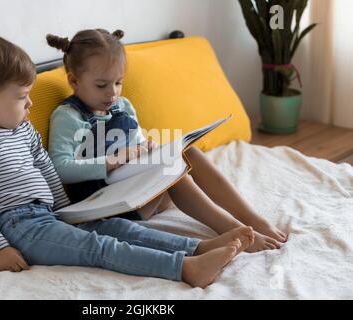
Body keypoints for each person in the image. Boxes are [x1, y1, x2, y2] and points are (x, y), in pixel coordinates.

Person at [0, 33, 254, 289]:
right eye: (22, 96)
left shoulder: (22, 130)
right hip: (19, 227)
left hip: (50, 213)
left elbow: (45, 166)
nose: (30, 104)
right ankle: (185, 268)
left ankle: (198, 247)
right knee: (99, 248)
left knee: (118, 228)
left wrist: (68, 209)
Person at [47, 29, 288, 252]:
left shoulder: (123, 106)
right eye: (101, 85)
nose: (112, 93)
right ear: (74, 81)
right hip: (106, 208)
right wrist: (114, 160)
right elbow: (61, 168)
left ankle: (253, 218)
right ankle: (233, 229)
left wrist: (147, 149)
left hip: (138, 193)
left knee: (186, 154)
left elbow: (137, 144)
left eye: (118, 82)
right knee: (174, 172)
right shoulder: (68, 116)